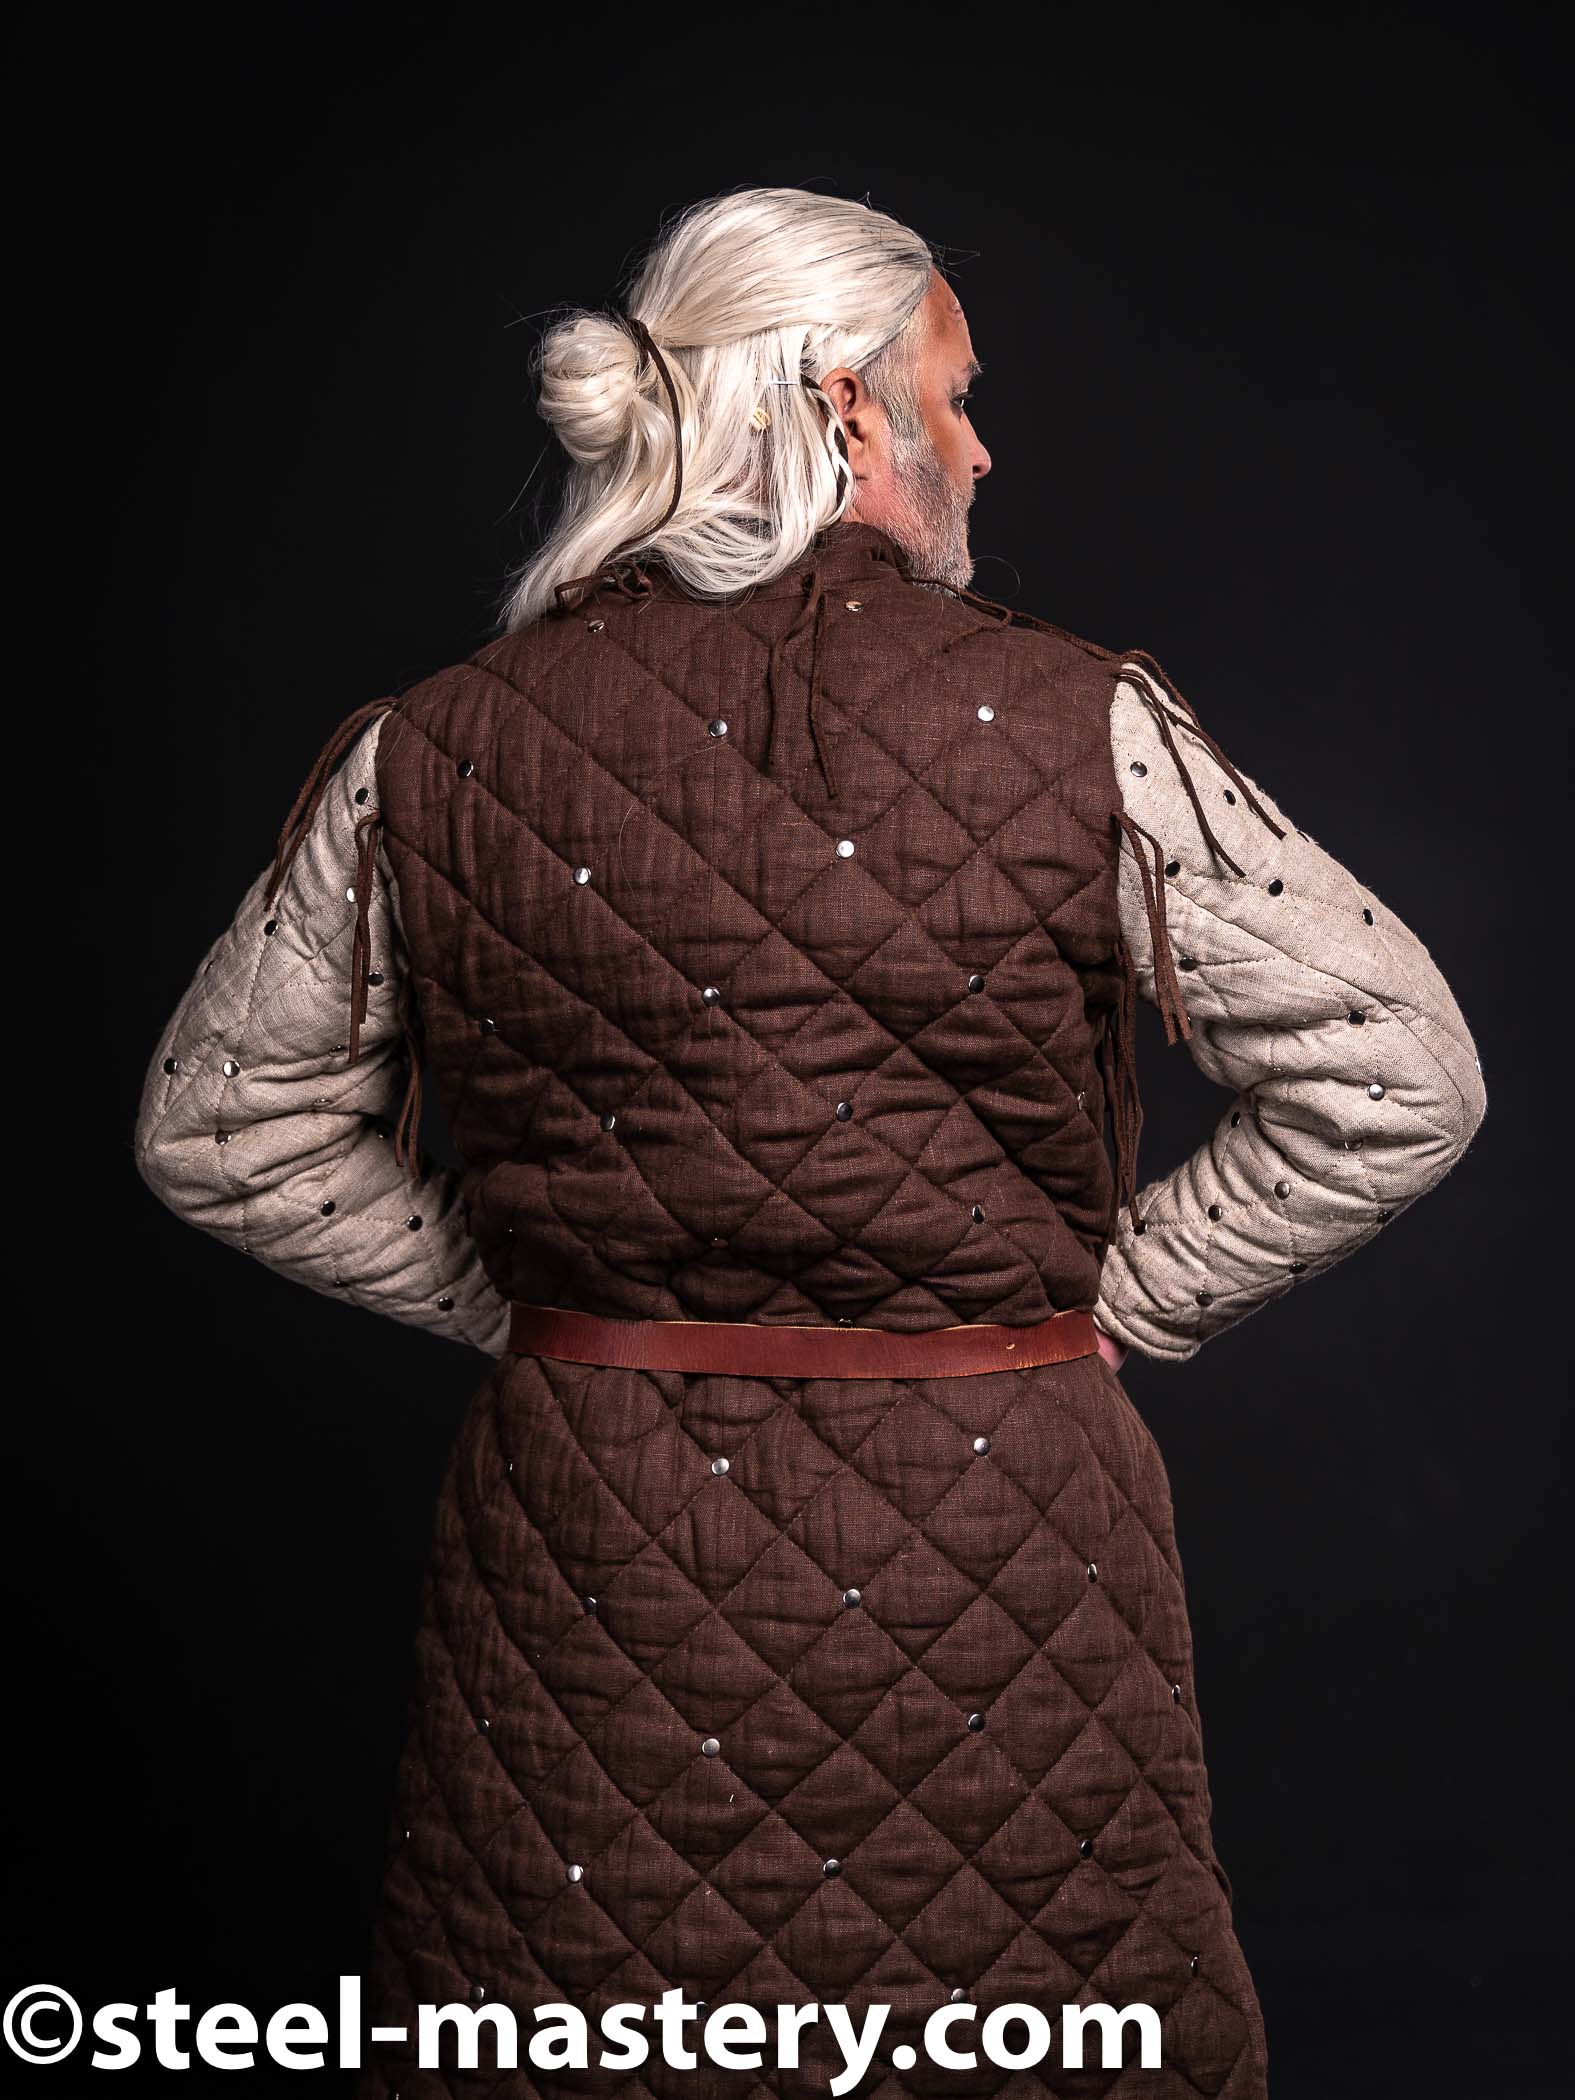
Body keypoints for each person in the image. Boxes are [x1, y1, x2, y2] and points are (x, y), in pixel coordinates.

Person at [134, 185, 1486, 2098]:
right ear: (848, 406)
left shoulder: (432, 745)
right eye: (957, 390)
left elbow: (221, 1125)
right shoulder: (1080, 723)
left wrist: (535, 1305)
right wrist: (1122, 1305)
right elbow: (1400, 1069)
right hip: (1009, 1552)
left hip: (590, 1553)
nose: (981, 446)